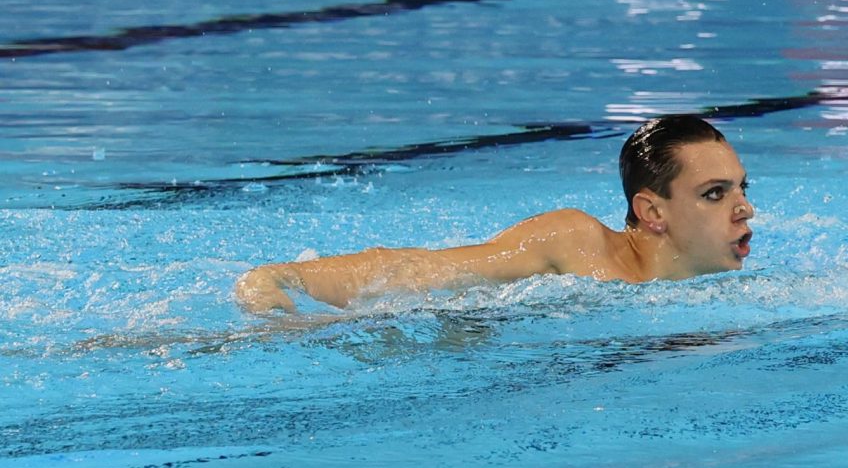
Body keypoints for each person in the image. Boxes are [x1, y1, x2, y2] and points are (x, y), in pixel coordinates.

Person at [235, 117, 754, 313]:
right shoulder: (576, 244)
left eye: (741, 188)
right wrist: (290, 279)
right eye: (714, 193)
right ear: (651, 211)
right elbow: (424, 270)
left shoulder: (720, 299)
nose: (744, 208)